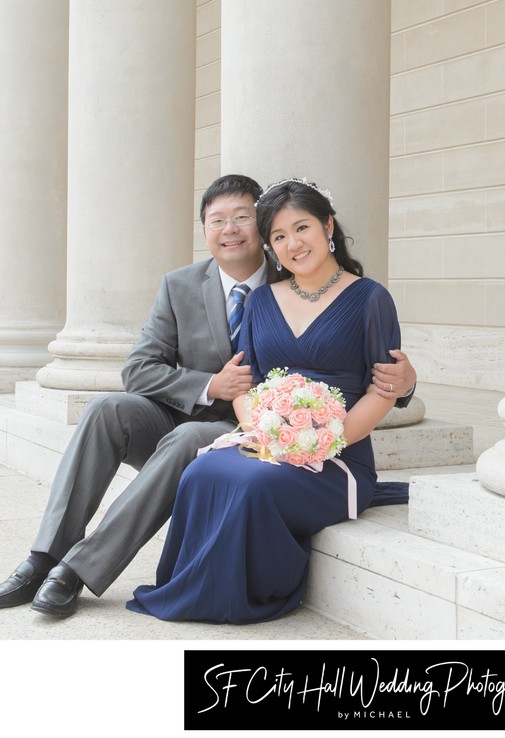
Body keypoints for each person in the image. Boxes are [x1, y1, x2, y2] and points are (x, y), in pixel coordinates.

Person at [0, 174, 416, 619]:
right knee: (107, 409)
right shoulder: (185, 286)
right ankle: (44, 557)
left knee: (192, 443)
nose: (230, 229)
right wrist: (209, 386)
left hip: (252, 433)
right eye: (216, 220)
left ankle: (77, 571)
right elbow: (138, 370)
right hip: (228, 421)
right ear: (205, 229)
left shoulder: (316, 281)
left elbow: (373, 367)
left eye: (242, 217)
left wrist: (404, 383)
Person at [126, 177, 403, 624]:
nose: (292, 243)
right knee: (201, 470)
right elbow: (244, 385)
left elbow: (383, 391)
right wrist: (265, 433)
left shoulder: (370, 299)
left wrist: (318, 442)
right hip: (267, 440)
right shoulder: (261, 301)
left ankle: (244, 592)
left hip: (338, 455)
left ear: (328, 225)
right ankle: (190, 587)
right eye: (278, 236)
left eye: (302, 228)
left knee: (253, 485)